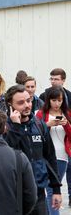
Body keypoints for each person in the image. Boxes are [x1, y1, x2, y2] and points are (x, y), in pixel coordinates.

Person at [5, 84, 62, 214]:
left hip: (38, 193)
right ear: (10, 104)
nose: (27, 105)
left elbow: (50, 157)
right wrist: (16, 127)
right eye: (21, 103)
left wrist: (56, 189)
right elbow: (6, 153)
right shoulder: (5, 127)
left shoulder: (38, 125)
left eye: (28, 101)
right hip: (13, 194)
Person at [35, 86, 71, 215]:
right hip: (44, 155)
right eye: (54, 100)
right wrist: (47, 125)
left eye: (60, 100)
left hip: (61, 156)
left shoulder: (67, 113)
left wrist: (66, 124)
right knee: (46, 191)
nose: (57, 103)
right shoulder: (40, 114)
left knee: (52, 190)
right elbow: (36, 134)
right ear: (49, 100)